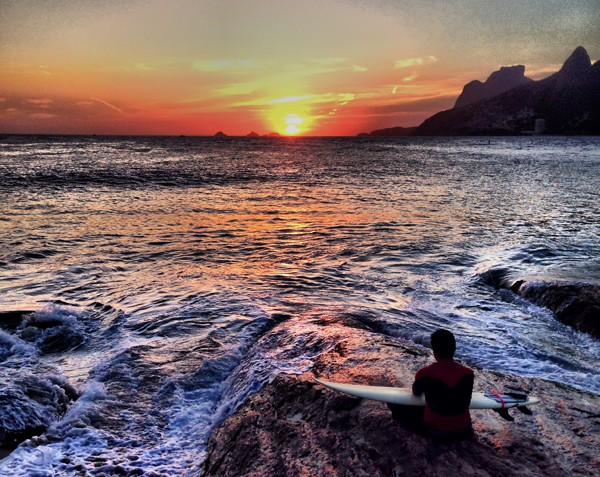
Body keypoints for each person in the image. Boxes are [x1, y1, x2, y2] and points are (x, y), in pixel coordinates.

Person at [390, 329, 474, 439]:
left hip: (434, 430)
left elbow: (416, 393)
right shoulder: (468, 374)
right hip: (463, 429)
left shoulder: (424, 373)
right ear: (454, 349)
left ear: (434, 351)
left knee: (395, 404)